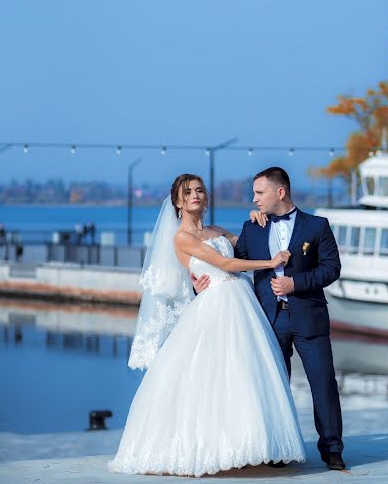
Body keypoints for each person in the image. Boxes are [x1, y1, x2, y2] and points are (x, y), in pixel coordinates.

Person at [109, 174, 305, 477]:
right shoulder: (182, 237)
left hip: (241, 303)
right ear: (178, 202)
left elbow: (249, 246)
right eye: (188, 192)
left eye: (199, 190)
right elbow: (225, 265)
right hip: (214, 305)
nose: (195, 195)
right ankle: (210, 448)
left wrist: (256, 220)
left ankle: (251, 445)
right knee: (209, 376)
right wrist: (269, 264)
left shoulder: (216, 230)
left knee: (244, 373)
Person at [229, 167, 346, 471]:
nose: (254, 199)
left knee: (323, 384)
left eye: (259, 192)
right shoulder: (252, 227)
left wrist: (297, 283)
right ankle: (276, 449)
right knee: (274, 386)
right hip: (269, 320)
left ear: (279, 192)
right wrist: (200, 281)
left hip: (310, 318)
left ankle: (332, 449)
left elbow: (332, 269)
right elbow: (234, 263)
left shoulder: (318, 226)